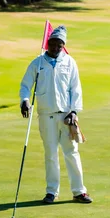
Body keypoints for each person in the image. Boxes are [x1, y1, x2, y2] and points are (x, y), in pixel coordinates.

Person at [19, 25, 92, 205]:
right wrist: (25, 100)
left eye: (59, 45)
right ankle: (52, 192)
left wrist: (74, 111)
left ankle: (79, 191)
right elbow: (25, 85)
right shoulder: (37, 63)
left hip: (66, 116)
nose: (56, 48)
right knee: (50, 154)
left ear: (63, 45)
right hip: (46, 115)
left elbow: (76, 89)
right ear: (47, 43)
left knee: (72, 153)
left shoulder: (70, 62)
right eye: (53, 44)